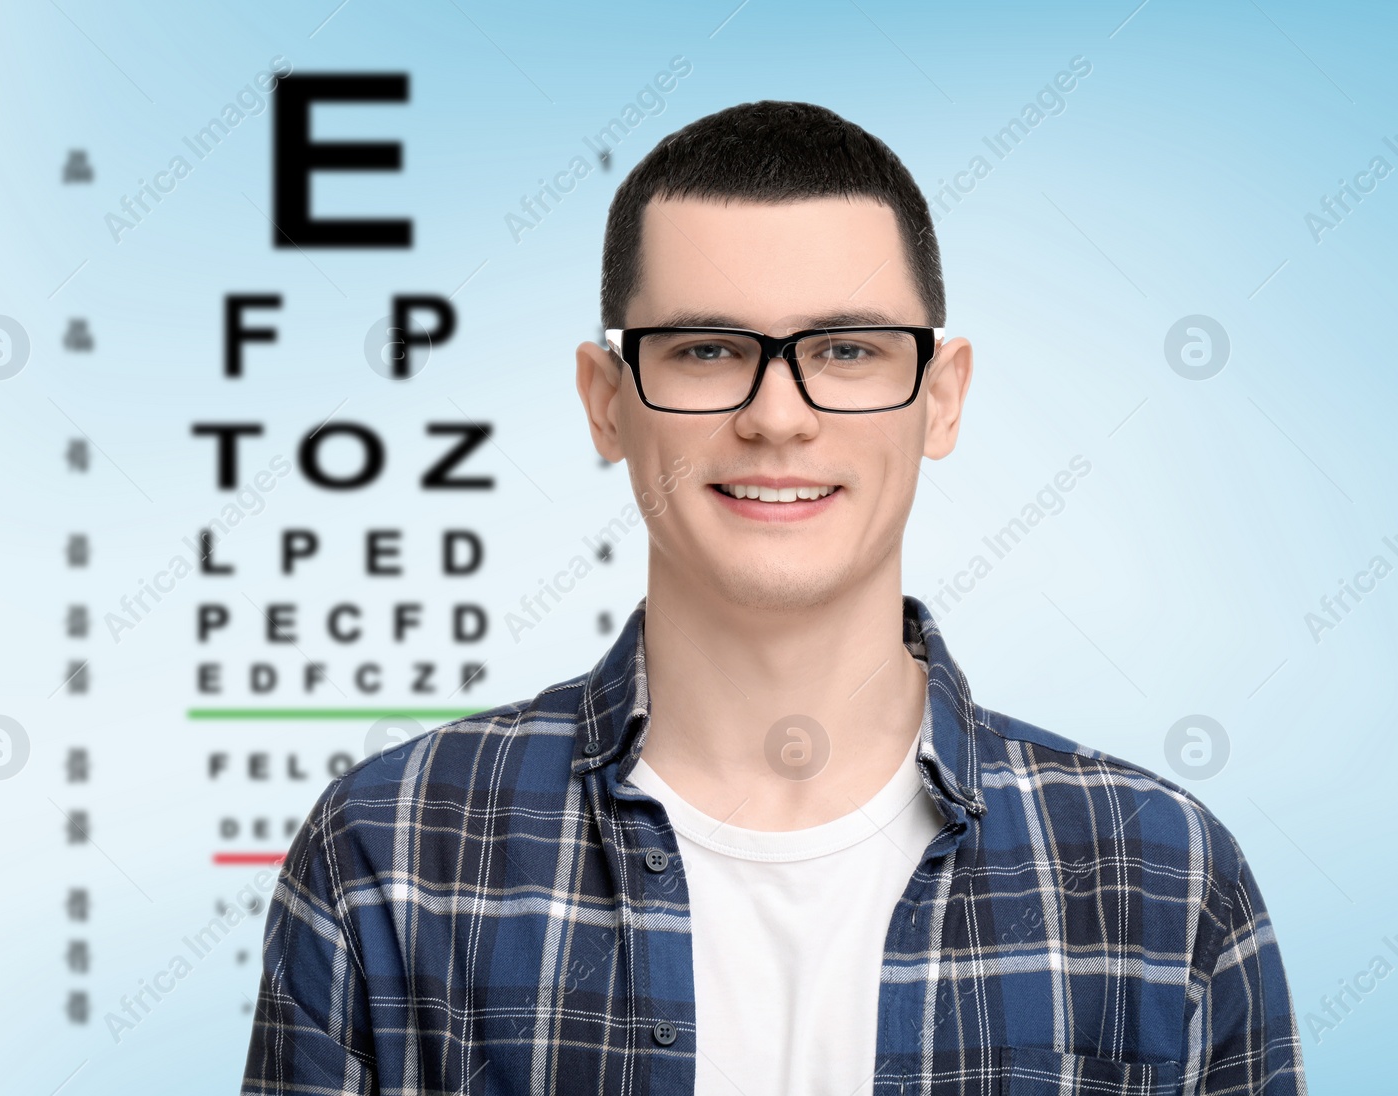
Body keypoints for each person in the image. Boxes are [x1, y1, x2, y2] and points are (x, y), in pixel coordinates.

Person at [241, 100, 1304, 1095]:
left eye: (846, 350)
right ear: (606, 405)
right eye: (708, 350)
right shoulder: (388, 849)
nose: (777, 417)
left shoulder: (1159, 875)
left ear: (940, 397)